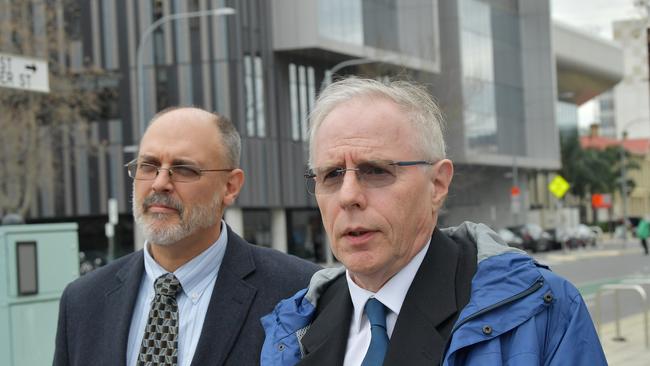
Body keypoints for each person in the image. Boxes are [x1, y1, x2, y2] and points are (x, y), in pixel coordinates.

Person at [260, 78, 606, 365]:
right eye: (332, 174)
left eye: (376, 171)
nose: (349, 196)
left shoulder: (541, 309)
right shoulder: (293, 326)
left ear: (438, 184)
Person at [53, 107, 319, 366]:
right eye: (149, 166)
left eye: (184, 169)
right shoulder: (82, 302)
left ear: (230, 186)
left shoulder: (300, 291)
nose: (159, 183)